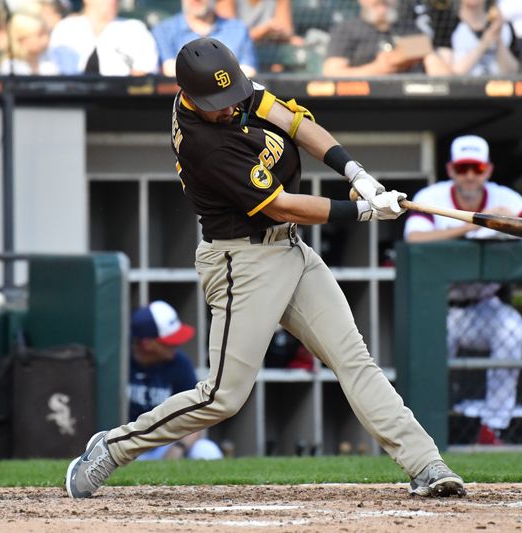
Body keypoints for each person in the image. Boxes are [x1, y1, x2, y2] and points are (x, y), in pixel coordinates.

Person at [65, 37, 466, 499]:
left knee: (354, 359)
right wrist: (362, 212)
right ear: (189, 96)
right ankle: (112, 448)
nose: (229, 108)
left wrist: (356, 173)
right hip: (242, 262)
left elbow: (295, 125)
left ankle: (426, 464)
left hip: (289, 251)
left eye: (231, 96)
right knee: (222, 396)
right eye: (216, 104)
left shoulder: (230, 90)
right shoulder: (203, 144)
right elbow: (282, 207)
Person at [404, 135, 522, 446]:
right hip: (440, 307)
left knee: (513, 328)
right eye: (463, 167)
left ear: (488, 170)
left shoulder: (505, 197)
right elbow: (414, 239)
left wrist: (510, 223)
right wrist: (476, 224)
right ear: (451, 169)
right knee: (431, 371)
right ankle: (424, 438)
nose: (469, 175)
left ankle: (492, 429)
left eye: (476, 168)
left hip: (484, 305)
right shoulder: (432, 196)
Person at [128, 301, 223, 461]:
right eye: (168, 341)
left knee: (208, 452)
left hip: (166, 444)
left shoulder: (180, 363)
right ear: (147, 344)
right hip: (128, 444)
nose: (177, 344)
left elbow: (196, 417)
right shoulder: (120, 364)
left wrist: (179, 447)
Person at [323, 0, 450, 77]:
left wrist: (407, 55)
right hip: (363, 104)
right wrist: (378, 68)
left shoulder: (411, 30)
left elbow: (442, 76)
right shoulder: (347, 29)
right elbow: (331, 73)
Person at [47, 0, 158, 75]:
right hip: (70, 102)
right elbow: (54, 71)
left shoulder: (135, 28)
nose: (112, 1)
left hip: (121, 102)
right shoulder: (65, 28)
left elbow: (146, 72)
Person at [152, 0, 258, 77]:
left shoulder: (238, 29)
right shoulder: (164, 30)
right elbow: (170, 71)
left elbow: (249, 71)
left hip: (230, 101)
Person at [433, 0, 519, 76]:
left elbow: (513, 72)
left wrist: (498, 40)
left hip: (499, 89)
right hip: (463, 90)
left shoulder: (503, 26)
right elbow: (450, 74)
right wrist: (484, 44)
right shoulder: (447, 25)